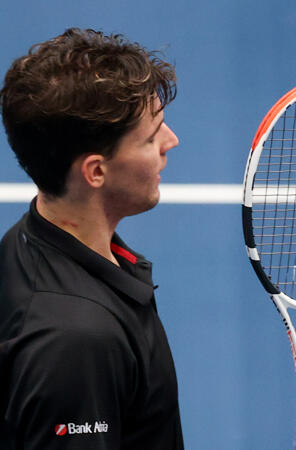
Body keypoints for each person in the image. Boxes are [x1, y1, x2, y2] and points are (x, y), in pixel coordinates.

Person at [0, 28, 183, 449]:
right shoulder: (76, 344)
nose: (171, 142)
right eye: (152, 137)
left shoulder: (28, 243)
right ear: (95, 172)